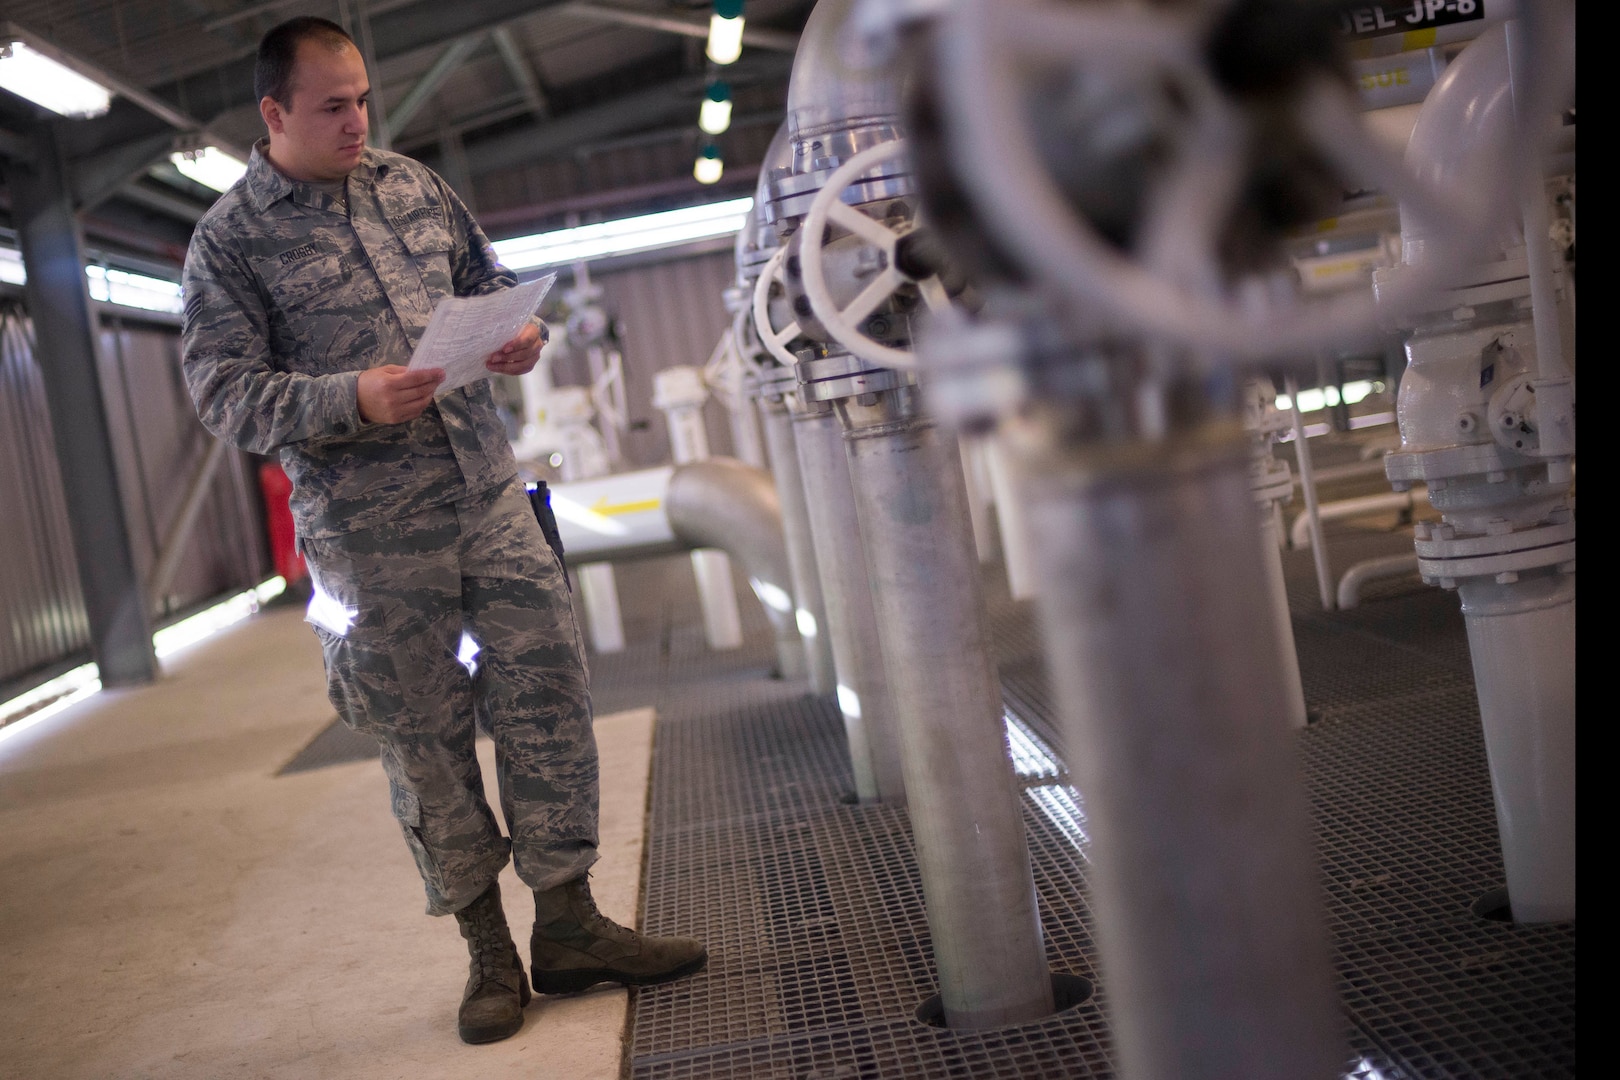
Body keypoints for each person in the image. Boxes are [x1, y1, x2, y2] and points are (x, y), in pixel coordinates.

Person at [179, 16, 705, 1045]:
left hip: (487, 494)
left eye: (364, 98)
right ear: (274, 113)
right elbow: (222, 395)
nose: (357, 121)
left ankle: (569, 925)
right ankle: (489, 956)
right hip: (369, 539)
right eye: (332, 106)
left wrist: (517, 338)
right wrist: (350, 399)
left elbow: (486, 288)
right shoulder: (230, 241)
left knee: (548, 692)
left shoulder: (412, 186)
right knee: (424, 741)